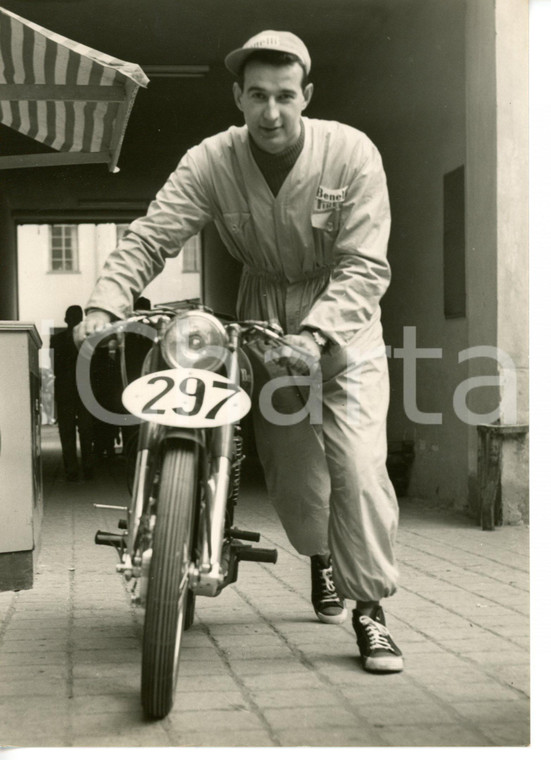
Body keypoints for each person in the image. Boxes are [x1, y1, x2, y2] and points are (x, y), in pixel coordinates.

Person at [78, 30, 403, 673]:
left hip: (345, 326)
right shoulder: (211, 160)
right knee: (294, 478)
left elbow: (365, 265)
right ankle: (323, 561)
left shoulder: (351, 154)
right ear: (238, 96)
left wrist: (316, 334)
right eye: (258, 95)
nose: (271, 112)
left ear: (306, 95)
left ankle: (371, 611)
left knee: (359, 467)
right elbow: (153, 235)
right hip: (260, 317)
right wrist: (104, 301)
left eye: (285, 95)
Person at [51, 305, 95, 481]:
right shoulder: (88, 340)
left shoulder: (56, 340)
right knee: (85, 430)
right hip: (81, 390)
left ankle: (72, 469)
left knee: (68, 431)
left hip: (66, 389)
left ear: (65, 319)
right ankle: (87, 467)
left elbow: (56, 367)